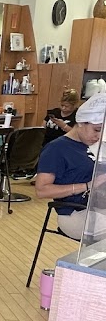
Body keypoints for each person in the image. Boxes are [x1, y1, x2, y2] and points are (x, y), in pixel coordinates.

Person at [35, 93, 106, 240]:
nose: (99, 136)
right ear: (81, 123)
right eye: (96, 130)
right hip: (74, 213)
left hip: (98, 208)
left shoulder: (95, 145)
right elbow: (41, 190)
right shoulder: (56, 149)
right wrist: (88, 185)